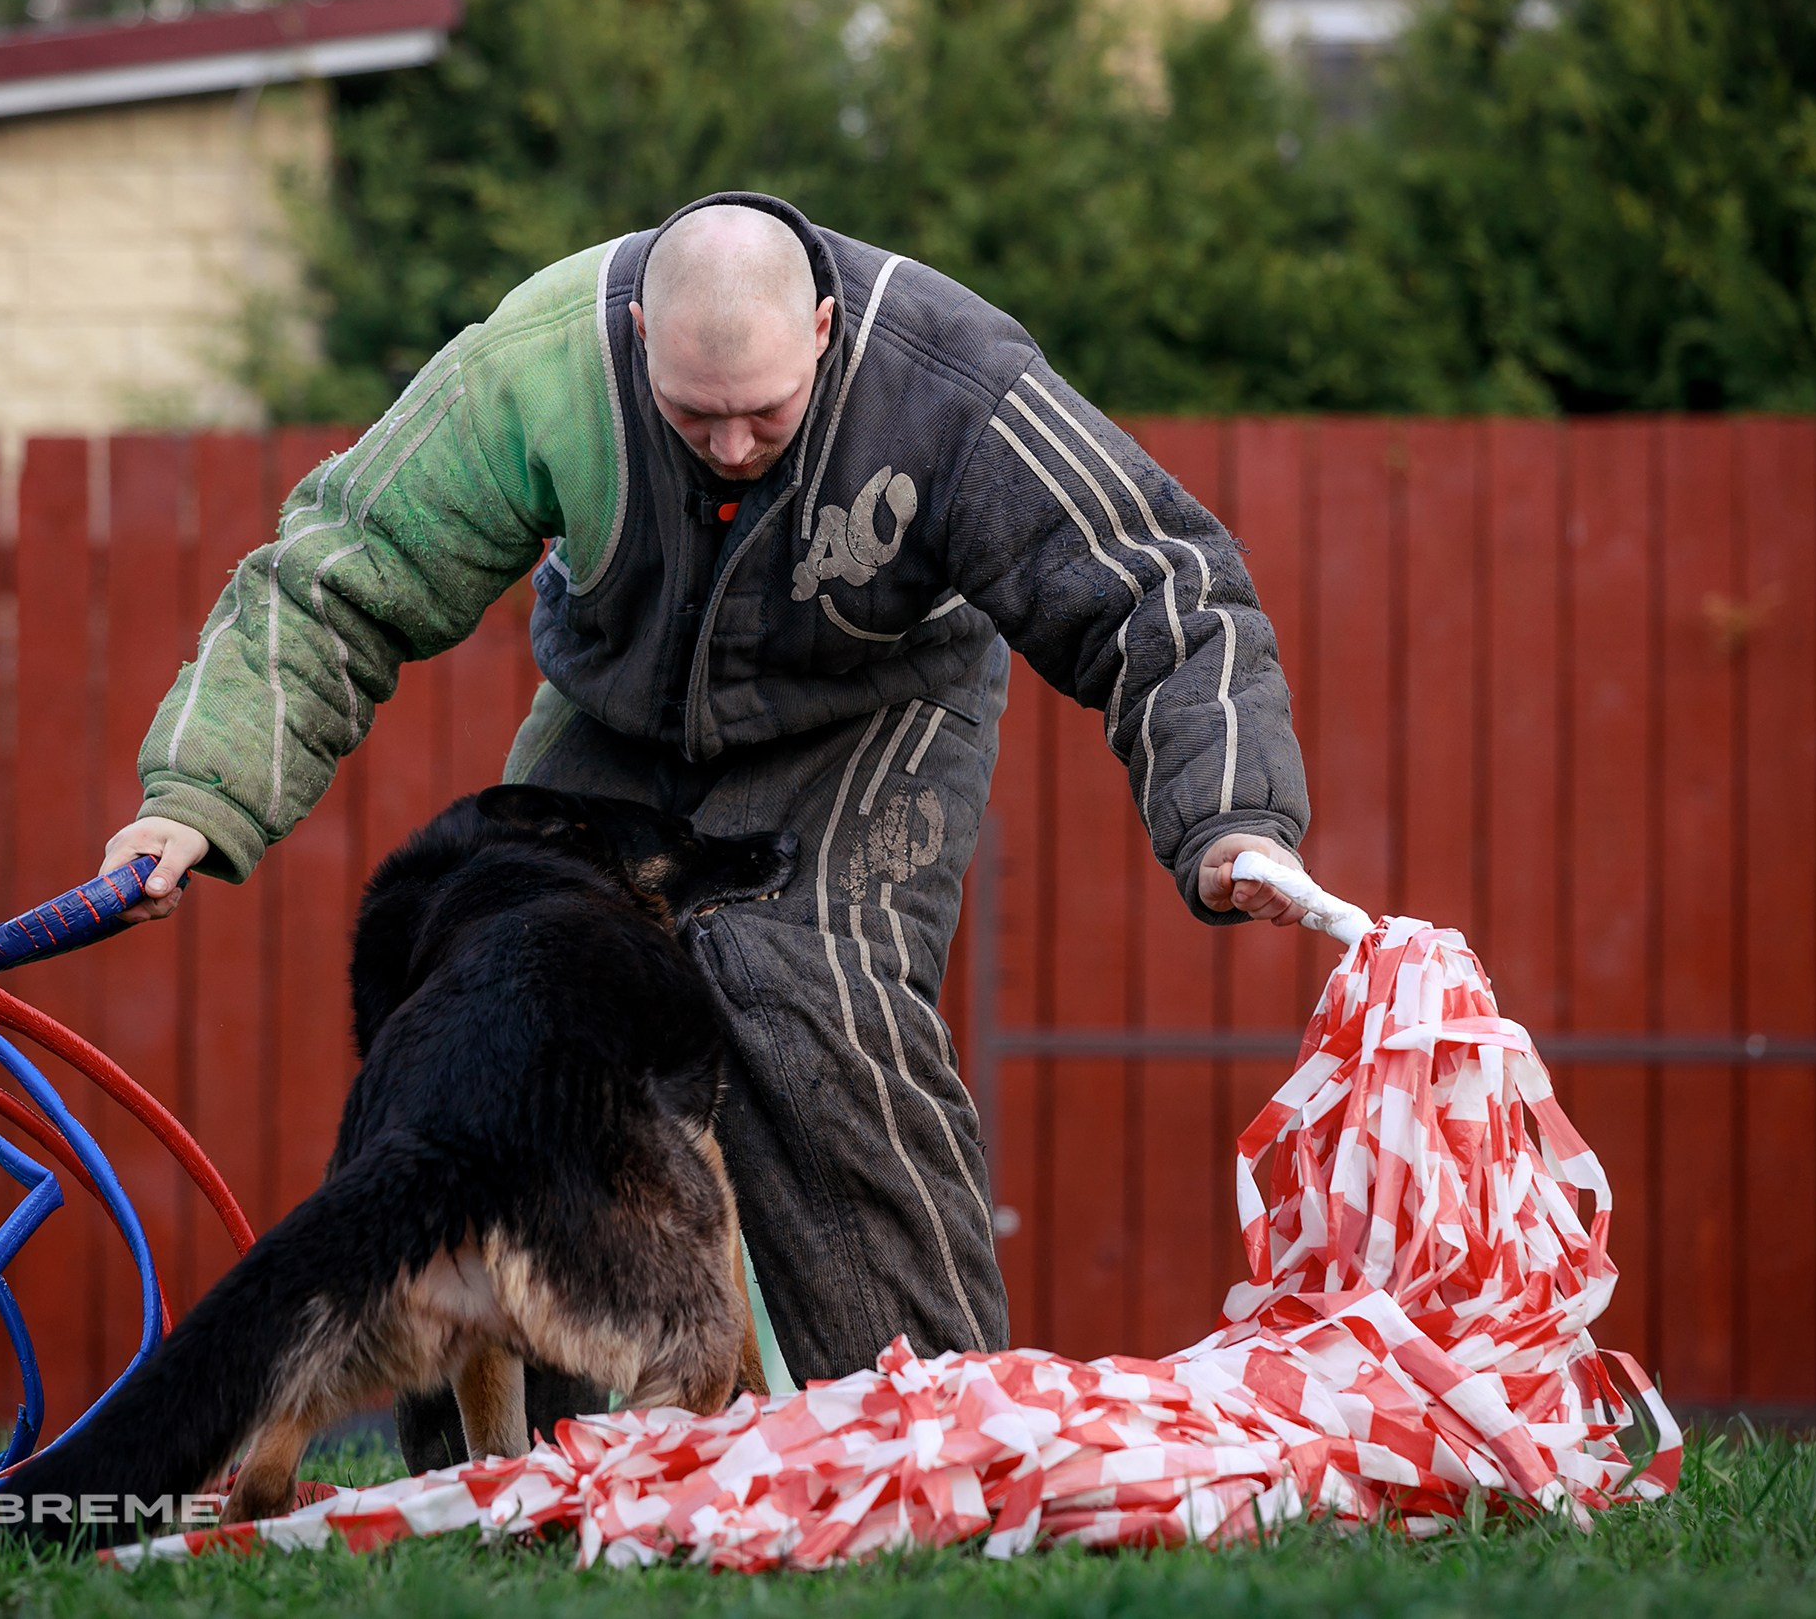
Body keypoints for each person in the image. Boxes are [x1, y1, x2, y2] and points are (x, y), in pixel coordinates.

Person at [99, 192, 1315, 1427]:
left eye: (765, 414)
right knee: (498, 984)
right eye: (697, 416)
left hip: (873, 709)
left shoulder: (949, 378)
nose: (733, 447)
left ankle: (933, 1428)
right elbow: (333, 582)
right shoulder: (532, 365)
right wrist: (198, 795)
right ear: (636, 337)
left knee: (794, 977)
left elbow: (1162, 586)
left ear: (827, 332)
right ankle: (540, 1467)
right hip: (619, 710)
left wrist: (1229, 811)